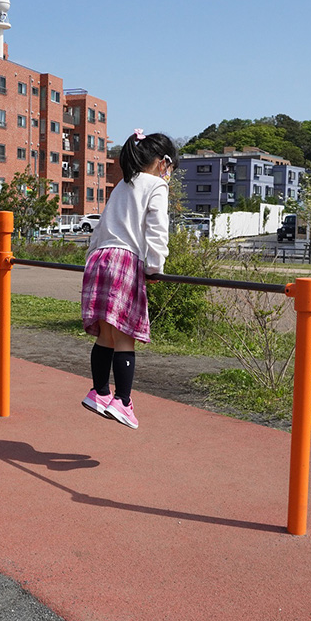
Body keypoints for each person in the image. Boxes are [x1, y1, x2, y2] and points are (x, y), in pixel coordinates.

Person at [80, 129, 176, 429]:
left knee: (106, 334)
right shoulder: (157, 185)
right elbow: (156, 229)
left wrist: (91, 257)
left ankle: (99, 391)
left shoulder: (123, 184)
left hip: (99, 260)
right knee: (125, 337)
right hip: (124, 260)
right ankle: (122, 401)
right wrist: (154, 267)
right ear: (163, 163)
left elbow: (101, 226)